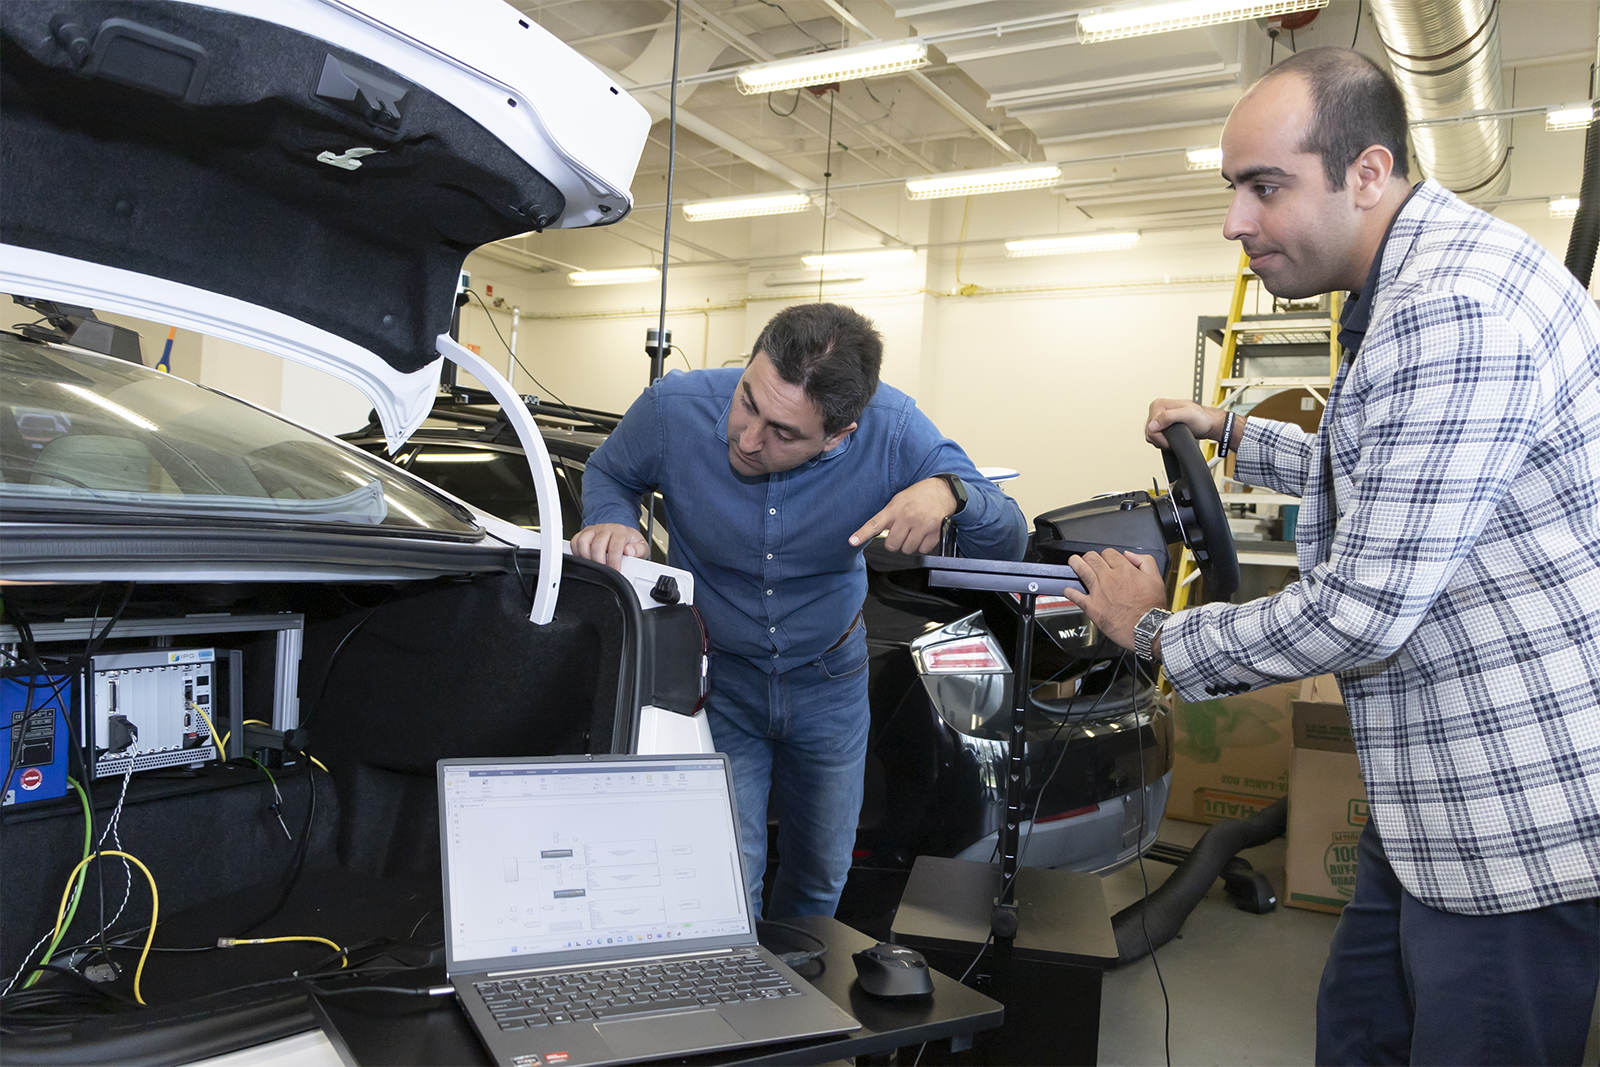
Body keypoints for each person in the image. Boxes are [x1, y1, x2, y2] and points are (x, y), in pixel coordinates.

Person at [1063, 47, 1600, 1065]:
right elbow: (1384, 465)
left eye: (1267, 187)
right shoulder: (1419, 280)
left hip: (1503, 818)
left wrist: (1152, 629)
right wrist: (1227, 431)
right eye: (1233, 189)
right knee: (1356, 1034)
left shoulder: (1450, 309)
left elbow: (1361, 608)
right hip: (1428, 802)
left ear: (1366, 171)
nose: (1236, 222)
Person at [572, 302, 1027, 919]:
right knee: (726, 877)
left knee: (819, 876)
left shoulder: (894, 431)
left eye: (784, 434)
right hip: (718, 681)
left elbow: (1007, 540)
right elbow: (609, 471)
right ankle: (730, 1003)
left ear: (841, 436)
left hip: (829, 686)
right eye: (748, 401)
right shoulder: (672, 408)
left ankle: (794, 1007)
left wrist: (951, 492)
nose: (748, 438)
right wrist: (610, 518)